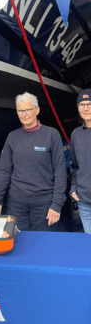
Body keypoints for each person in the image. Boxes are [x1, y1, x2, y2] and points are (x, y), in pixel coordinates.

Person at [0, 92, 67, 231]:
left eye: (28, 109)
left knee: (42, 243)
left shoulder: (51, 135)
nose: (24, 114)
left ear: (37, 110)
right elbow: (4, 171)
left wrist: (56, 204)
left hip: (44, 203)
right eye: (20, 110)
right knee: (18, 241)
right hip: (17, 203)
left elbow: (60, 171)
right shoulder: (12, 137)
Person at [70, 89, 91, 234]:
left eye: (89, 104)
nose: (86, 108)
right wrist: (73, 187)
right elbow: (75, 166)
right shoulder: (76, 134)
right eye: (82, 104)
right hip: (84, 202)